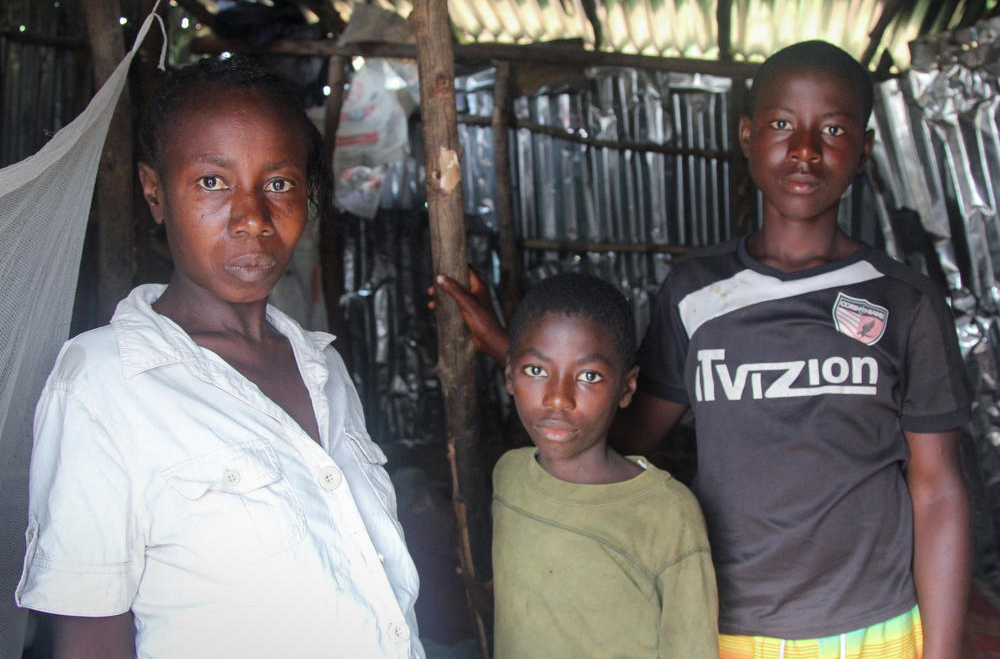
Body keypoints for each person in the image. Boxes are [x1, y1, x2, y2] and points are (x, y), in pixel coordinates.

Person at [433, 40, 971, 659]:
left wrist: (946, 650)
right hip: (726, 625)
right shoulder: (697, 292)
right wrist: (508, 346)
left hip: (871, 627)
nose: (804, 149)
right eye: (780, 124)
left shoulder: (905, 301)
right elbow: (628, 431)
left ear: (865, 150)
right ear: (746, 136)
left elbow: (937, 489)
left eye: (833, 128)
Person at [16, 56, 424, 659]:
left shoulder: (322, 368)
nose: (253, 218)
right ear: (155, 193)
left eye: (279, 183)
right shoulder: (105, 382)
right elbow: (90, 641)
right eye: (212, 182)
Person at [491, 273, 718, 658]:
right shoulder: (507, 476)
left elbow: (691, 647)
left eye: (588, 376)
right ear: (510, 374)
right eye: (536, 370)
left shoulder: (666, 511)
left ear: (626, 388)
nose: (557, 398)